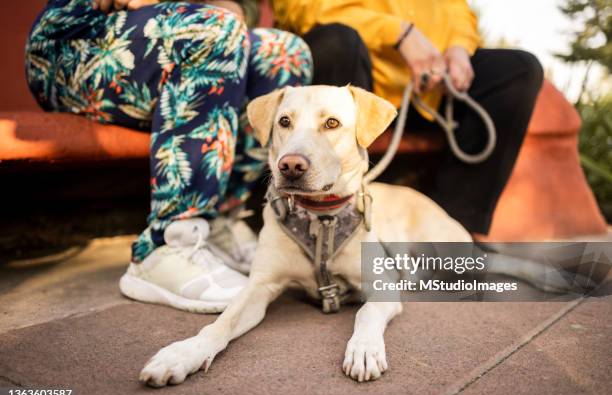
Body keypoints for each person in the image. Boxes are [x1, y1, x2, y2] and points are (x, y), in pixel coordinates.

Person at [25, 0, 312, 312]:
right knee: (213, 29)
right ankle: (169, 243)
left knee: (283, 52)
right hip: (76, 42)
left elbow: (239, 8)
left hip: (181, 39)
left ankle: (220, 220)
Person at [272, 0, 544, 237]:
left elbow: (457, 9)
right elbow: (307, 8)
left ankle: (452, 231)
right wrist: (400, 33)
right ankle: (325, 220)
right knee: (336, 42)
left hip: (431, 92)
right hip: (361, 87)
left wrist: (459, 47)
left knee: (519, 69)